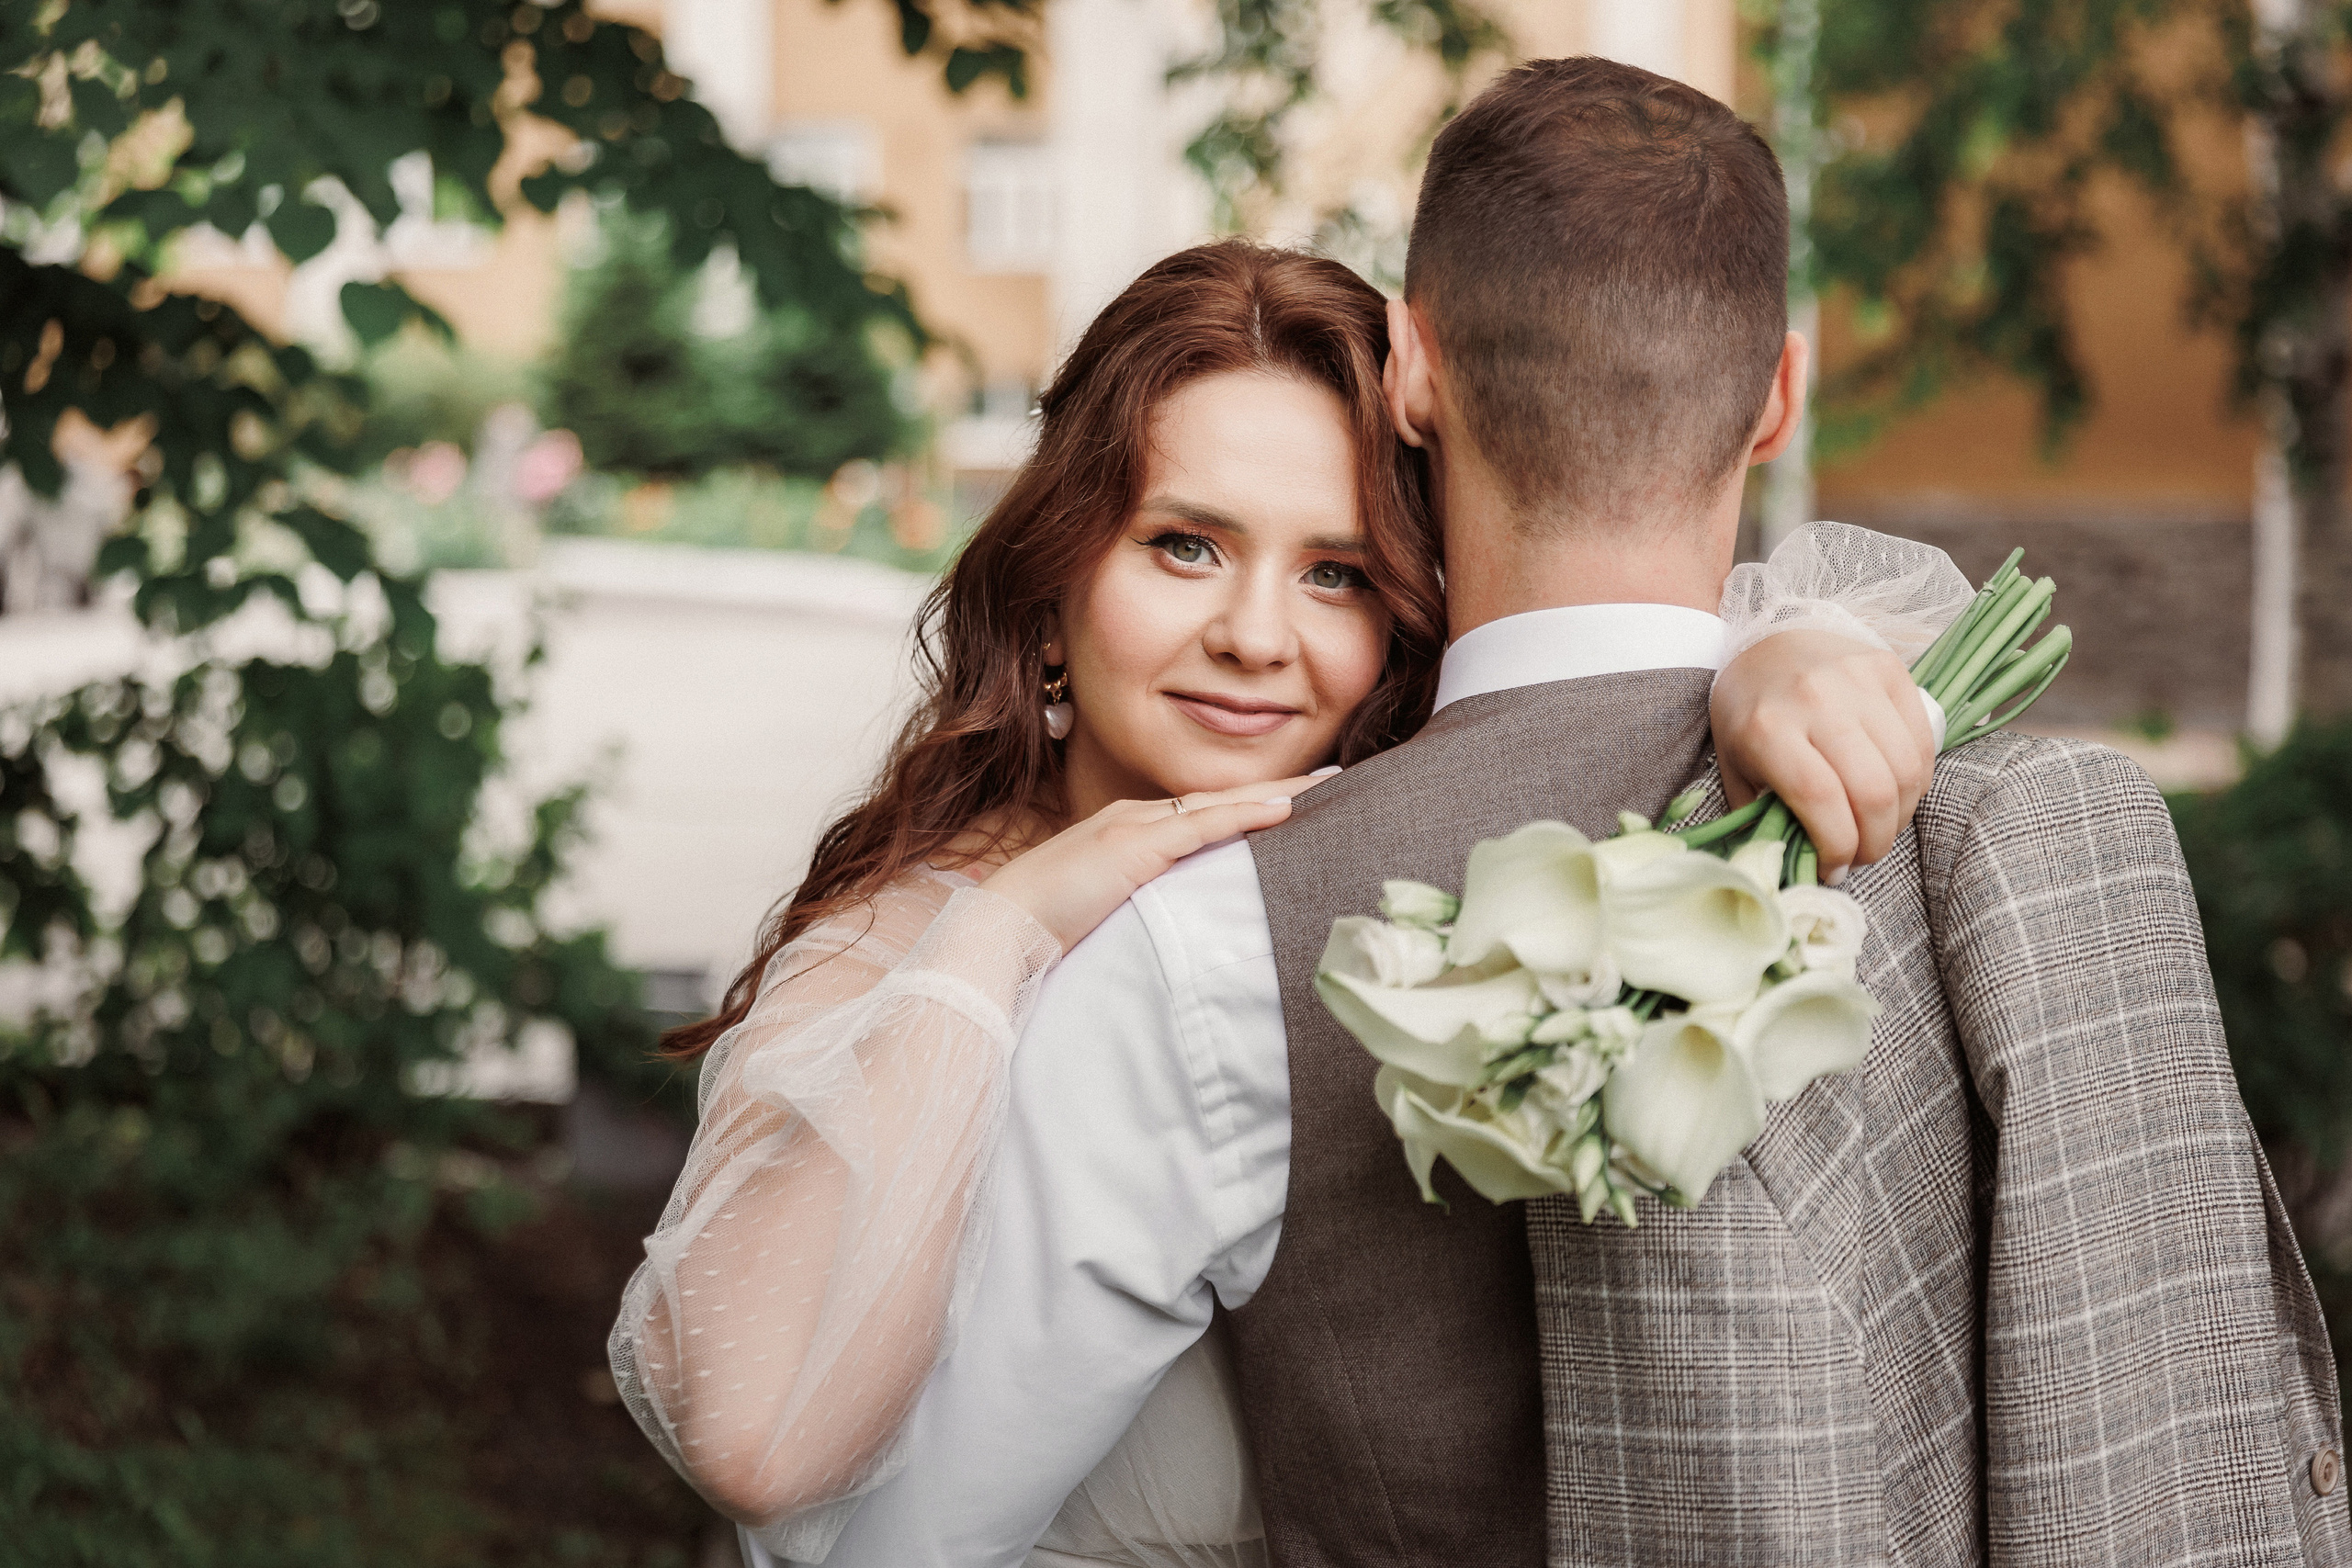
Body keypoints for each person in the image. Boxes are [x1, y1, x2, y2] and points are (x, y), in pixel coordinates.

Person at [805, 56, 2349, 1568]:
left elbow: (882, 1537)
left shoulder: (1204, 940)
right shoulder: (2000, 799)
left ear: (1409, 372)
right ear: (1781, 393)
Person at [607, 239, 1954, 1558]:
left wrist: (1778, 656)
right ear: (1055, 581)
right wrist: (1011, 929)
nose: (1258, 637)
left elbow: (1605, 648)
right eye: (1186, 546)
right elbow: (753, 1450)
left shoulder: (1376, 851)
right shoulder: (902, 935)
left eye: (1335, 573)